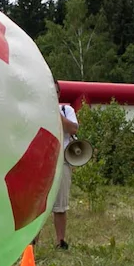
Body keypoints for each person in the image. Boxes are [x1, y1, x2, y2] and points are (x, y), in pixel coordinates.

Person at [52, 79, 78, 249]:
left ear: (59, 93)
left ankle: (60, 241)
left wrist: (56, 113)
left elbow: (73, 129)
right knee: (37, 205)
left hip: (62, 161)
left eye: (54, 92)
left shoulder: (66, 109)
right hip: (41, 161)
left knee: (60, 205)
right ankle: (32, 242)